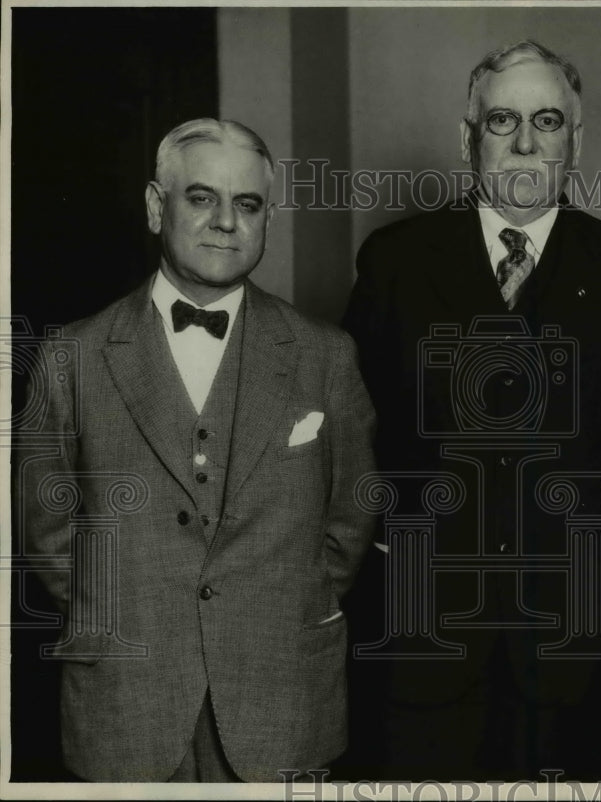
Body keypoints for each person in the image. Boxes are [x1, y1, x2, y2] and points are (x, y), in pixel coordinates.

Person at [341, 40, 601, 779]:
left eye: (547, 121)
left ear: (575, 140)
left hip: (572, 648)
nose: (525, 142)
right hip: (422, 642)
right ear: (468, 139)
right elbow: (353, 439)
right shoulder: (395, 261)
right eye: (502, 121)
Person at [18, 118, 376, 782]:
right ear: (157, 207)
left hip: (283, 698)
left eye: (248, 204)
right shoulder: (73, 356)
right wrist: (118, 609)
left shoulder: (325, 355)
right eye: (202, 198)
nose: (226, 222)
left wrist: (286, 603)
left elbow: (351, 516)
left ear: (268, 219)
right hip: (127, 695)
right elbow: (46, 531)